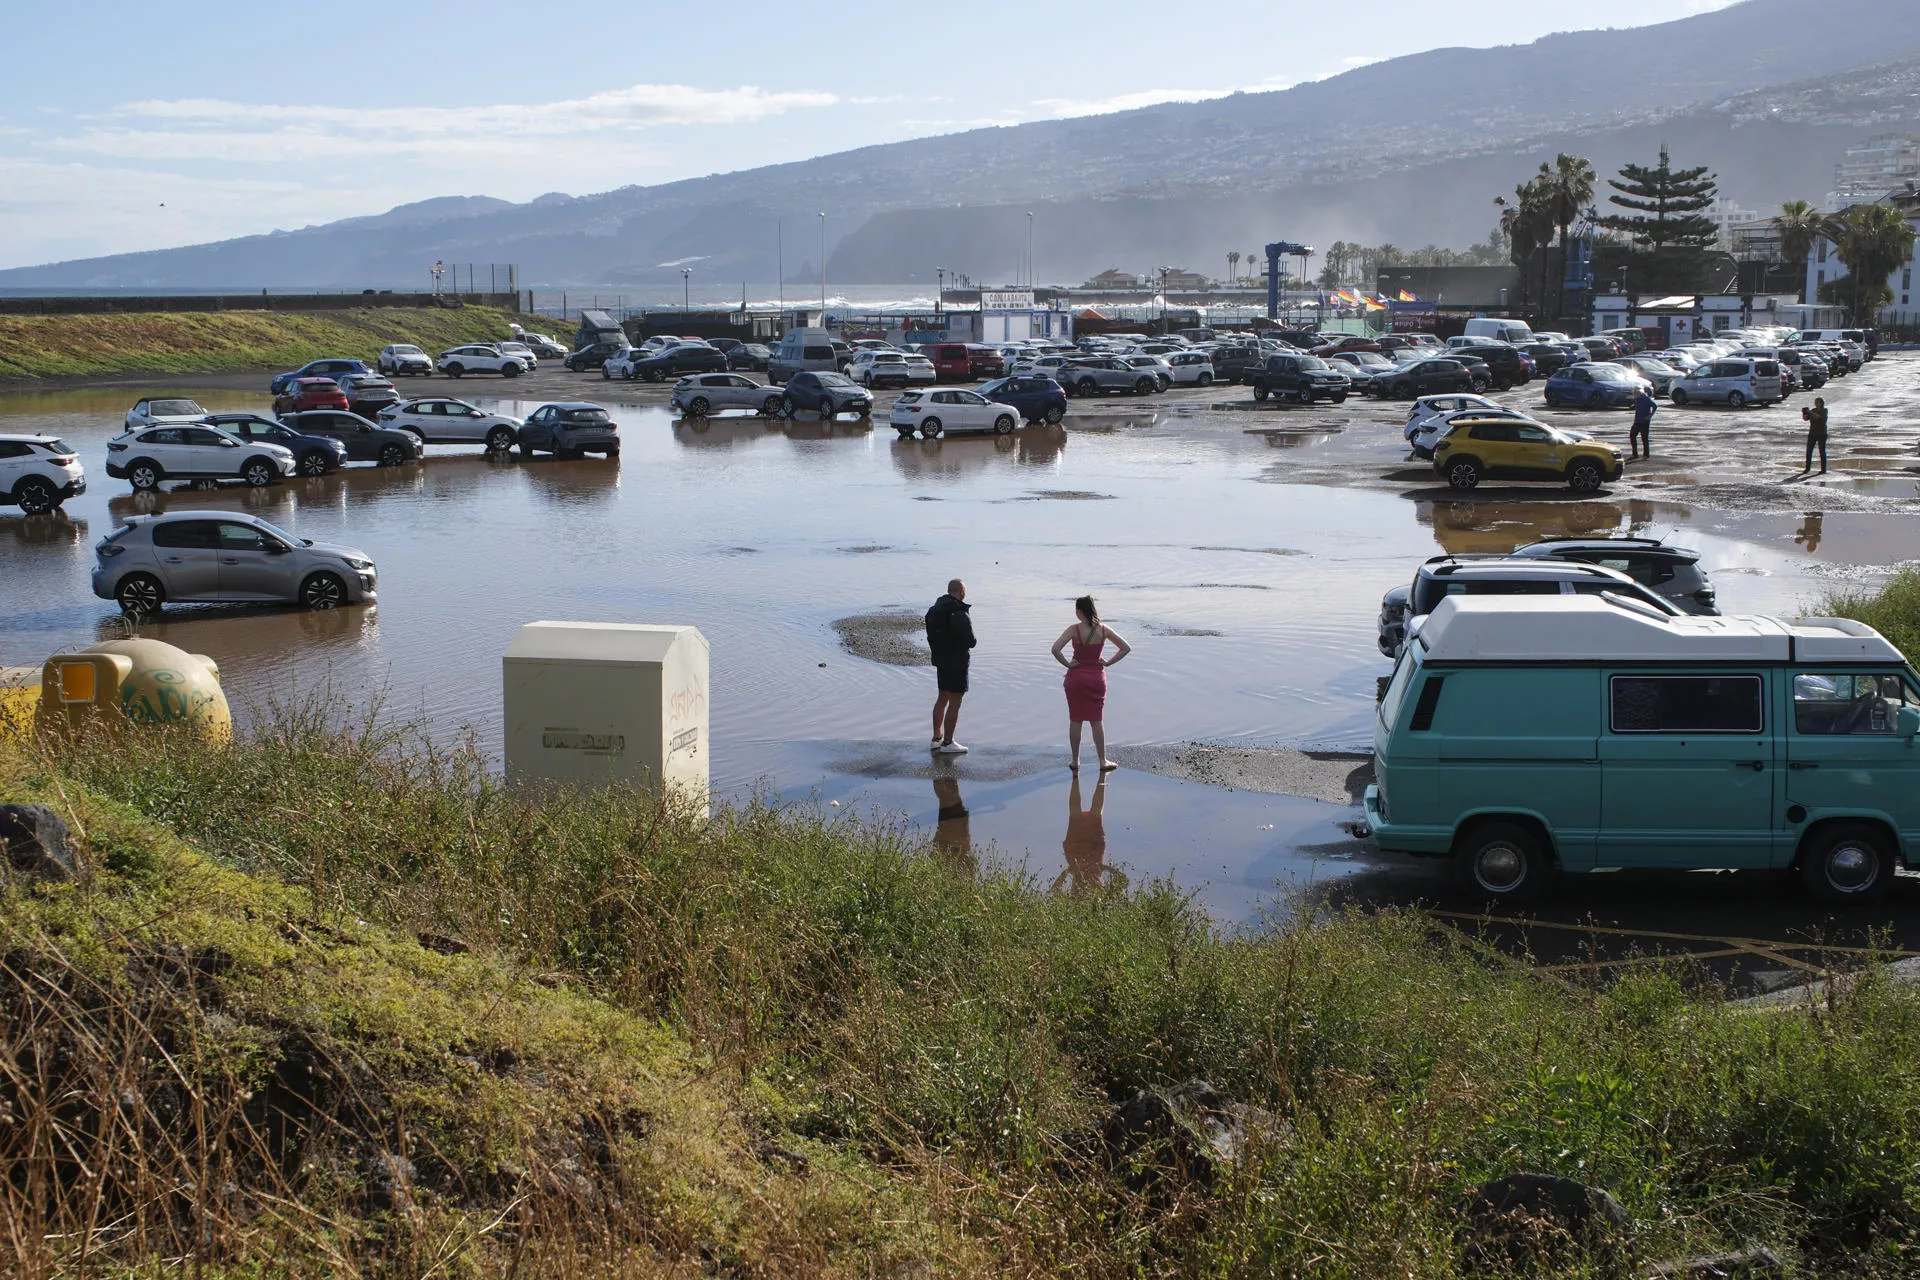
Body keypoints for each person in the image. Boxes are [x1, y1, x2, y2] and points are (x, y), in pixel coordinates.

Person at [1050, 594, 1131, 772]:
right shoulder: (1103, 629)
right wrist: (1108, 662)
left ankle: (1075, 761)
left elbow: (1055, 649)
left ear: (1079, 611)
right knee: (1096, 721)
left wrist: (1067, 663)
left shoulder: (1074, 630)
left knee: (1075, 719)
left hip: (1076, 678)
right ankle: (1102, 761)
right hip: (1096, 679)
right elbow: (1126, 647)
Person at [925, 578, 975, 755]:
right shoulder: (959, 612)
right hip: (957, 662)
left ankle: (936, 738)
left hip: (941, 661)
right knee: (955, 701)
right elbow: (971, 641)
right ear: (962, 592)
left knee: (942, 697)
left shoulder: (934, 611)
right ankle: (948, 742)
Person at [1801, 396, 1829, 474]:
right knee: (1809, 451)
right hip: (1812, 433)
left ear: (1821, 403)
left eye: (1817, 402)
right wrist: (1804, 413)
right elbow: (1806, 419)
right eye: (1815, 402)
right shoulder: (1813, 410)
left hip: (1822, 433)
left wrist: (1810, 412)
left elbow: (1818, 417)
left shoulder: (1824, 410)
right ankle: (1807, 468)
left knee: (1822, 452)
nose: (1816, 404)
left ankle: (1823, 469)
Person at [1629, 386, 1655, 460]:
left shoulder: (1646, 398)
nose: (1634, 395)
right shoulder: (1637, 399)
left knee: (1644, 438)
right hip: (1637, 421)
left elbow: (1655, 406)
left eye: (1635, 393)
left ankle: (1646, 455)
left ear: (1639, 392)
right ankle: (1635, 454)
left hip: (1644, 422)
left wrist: (1650, 415)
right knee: (1632, 435)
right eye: (1634, 393)